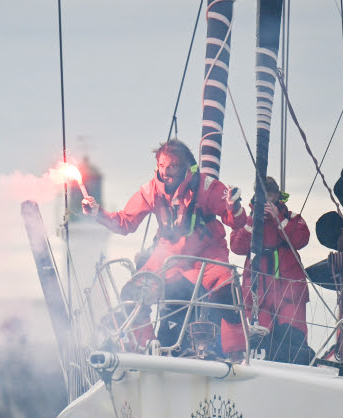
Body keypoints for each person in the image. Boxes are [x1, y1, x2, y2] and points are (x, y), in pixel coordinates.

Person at [83, 139, 247, 355]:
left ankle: (236, 353)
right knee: (132, 292)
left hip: (207, 255)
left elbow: (237, 222)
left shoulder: (207, 187)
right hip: (168, 256)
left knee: (227, 291)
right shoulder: (150, 191)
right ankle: (147, 348)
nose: (165, 172)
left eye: (171, 166)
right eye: (162, 166)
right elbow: (125, 223)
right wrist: (98, 213)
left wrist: (234, 207)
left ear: (185, 167)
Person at [229, 176, 315, 364]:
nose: (266, 200)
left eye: (270, 195)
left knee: (293, 338)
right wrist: (253, 222)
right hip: (257, 292)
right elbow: (236, 246)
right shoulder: (247, 220)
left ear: (277, 196)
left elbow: (301, 240)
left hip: (288, 292)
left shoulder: (292, 218)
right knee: (257, 340)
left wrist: (278, 218)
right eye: (262, 196)